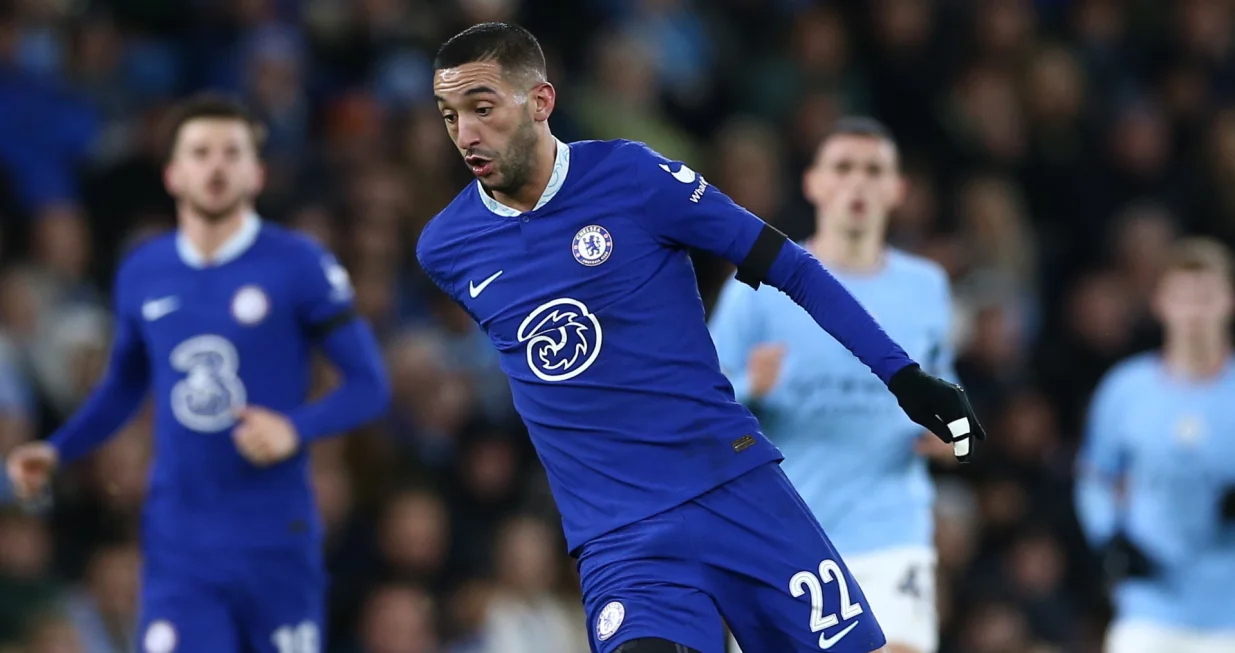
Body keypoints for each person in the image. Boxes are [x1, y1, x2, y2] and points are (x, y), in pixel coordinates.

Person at [417, 22, 985, 653]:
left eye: (482, 108)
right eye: (449, 116)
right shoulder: (447, 248)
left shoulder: (632, 177)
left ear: (541, 103)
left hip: (735, 490)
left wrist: (902, 376)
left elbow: (791, 266)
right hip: (622, 540)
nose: (465, 134)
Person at [5, 94, 391, 653]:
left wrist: (295, 428)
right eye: (200, 152)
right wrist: (59, 447)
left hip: (272, 533)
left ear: (256, 172)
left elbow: (369, 386)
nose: (215, 166)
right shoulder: (142, 268)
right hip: (179, 540)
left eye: (231, 153)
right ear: (172, 172)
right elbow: (122, 384)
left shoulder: (299, 263)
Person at [709, 117, 955, 653]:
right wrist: (751, 383)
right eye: (843, 168)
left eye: (874, 170)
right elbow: (698, 398)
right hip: (785, 535)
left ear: (898, 190)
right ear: (813, 183)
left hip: (890, 531)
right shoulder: (757, 288)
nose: (858, 183)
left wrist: (949, 438)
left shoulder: (927, 288)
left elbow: (946, 390)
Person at [1075, 237, 1235, 653]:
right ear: (1160, 303)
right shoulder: (1126, 390)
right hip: (1150, 608)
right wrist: (1109, 537)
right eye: (1184, 297)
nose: (1195, 312)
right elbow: (1095, 474)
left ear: (1229, 301)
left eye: (1206, 297)